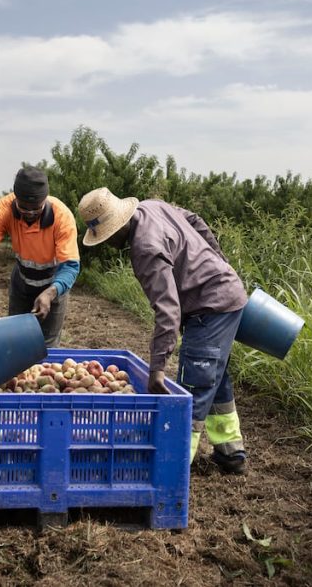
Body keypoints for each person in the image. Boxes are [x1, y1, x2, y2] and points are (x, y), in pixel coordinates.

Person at [77, 187, 249, 475]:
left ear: (117, 227)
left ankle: (173, 467)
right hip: (226, 295)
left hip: (210, 306)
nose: (108, 244)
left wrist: (157, 368)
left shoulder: (144, 248)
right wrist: (219, 263)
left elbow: (168, 311)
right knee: (215, 378)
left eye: (106, 237)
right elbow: (196, 220)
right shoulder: (151, 207)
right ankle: (231, 453)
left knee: (194, 383)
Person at [0, 167, 81, 346]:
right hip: (22, 283)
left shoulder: (62, 217)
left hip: (53, 285)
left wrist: (50, 293)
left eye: (36, 209)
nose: (30, 213)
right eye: (24, 208)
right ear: (15, 197)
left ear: (45, 199)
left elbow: (70, 266)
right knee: (16, 342)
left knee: (47, 346)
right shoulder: (1, 210)